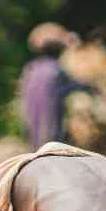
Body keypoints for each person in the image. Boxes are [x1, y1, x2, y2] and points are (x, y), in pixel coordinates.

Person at [16, 23, 83, 151]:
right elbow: (75, 87)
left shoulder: (31, 69)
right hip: (50, 128)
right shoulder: (56, 70)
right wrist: (92, 88)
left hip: (31, 126)